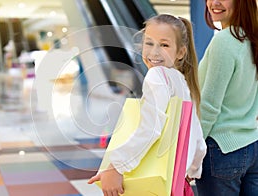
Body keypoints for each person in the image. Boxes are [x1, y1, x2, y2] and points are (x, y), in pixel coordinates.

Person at [88, 14, 207, 196]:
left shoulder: (157, 76)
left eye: (164, 45)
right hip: (179, 185)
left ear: (181, 52)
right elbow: (198, 138)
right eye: (149, 43)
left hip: (155, 186)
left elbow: (150, 128)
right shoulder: (181, 81)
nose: (154, 52)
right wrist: (193, 169)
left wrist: (117, 167)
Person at [195, 0, 258, 195]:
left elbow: (209, 106)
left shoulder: (224, 40)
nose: (214, 3)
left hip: (220, 150)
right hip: (252, 146)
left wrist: (192, 151)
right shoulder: (252, 39)